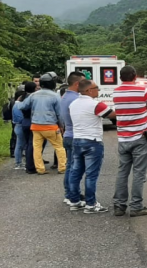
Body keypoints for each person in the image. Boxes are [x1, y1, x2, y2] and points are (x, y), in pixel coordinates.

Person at [112, 65, 147, 217]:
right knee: (139, 173)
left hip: (123, 138)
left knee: (122, 172)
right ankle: (136, 206)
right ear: (134, 76)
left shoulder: (116, 92)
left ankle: (119, 206)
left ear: (120, 78)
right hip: (140, 137)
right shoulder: (142, 90)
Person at [66, 79, 116, 213]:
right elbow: (112, 115)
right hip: (92, 142)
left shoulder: (73, 104)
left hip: (77, 140)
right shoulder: (96, 105)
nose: (98, 90)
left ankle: (74, 201)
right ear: (88, 90)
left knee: (75, 173)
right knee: (91, 175)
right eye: (96, 88)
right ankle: (91, 204)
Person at [18, 73, 67, 175]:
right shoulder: (55, 96)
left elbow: (22, 106)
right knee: (59, 147)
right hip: (51, 127)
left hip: (35, 126)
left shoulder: (33, 95)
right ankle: (62, 168)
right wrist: (62, 126)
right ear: (52, 84)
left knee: (37, 148)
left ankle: (40, 169)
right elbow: (59, 114)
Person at [60, 71, 85, 202]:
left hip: (68, 134)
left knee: (70, 165)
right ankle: (73, 195)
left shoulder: (64, 96)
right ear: (76, 84)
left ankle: (69, 192)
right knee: (75, 168)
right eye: (82, 82)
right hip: (75, 135)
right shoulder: (75, 99)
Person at [12, 89, 27, 169]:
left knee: (20, 145)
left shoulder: (16, 105)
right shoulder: (18, 105)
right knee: (20, 145)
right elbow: (20, 118)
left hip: (18, 126)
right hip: (20, 126)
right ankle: (19, 163)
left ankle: (19, 162)